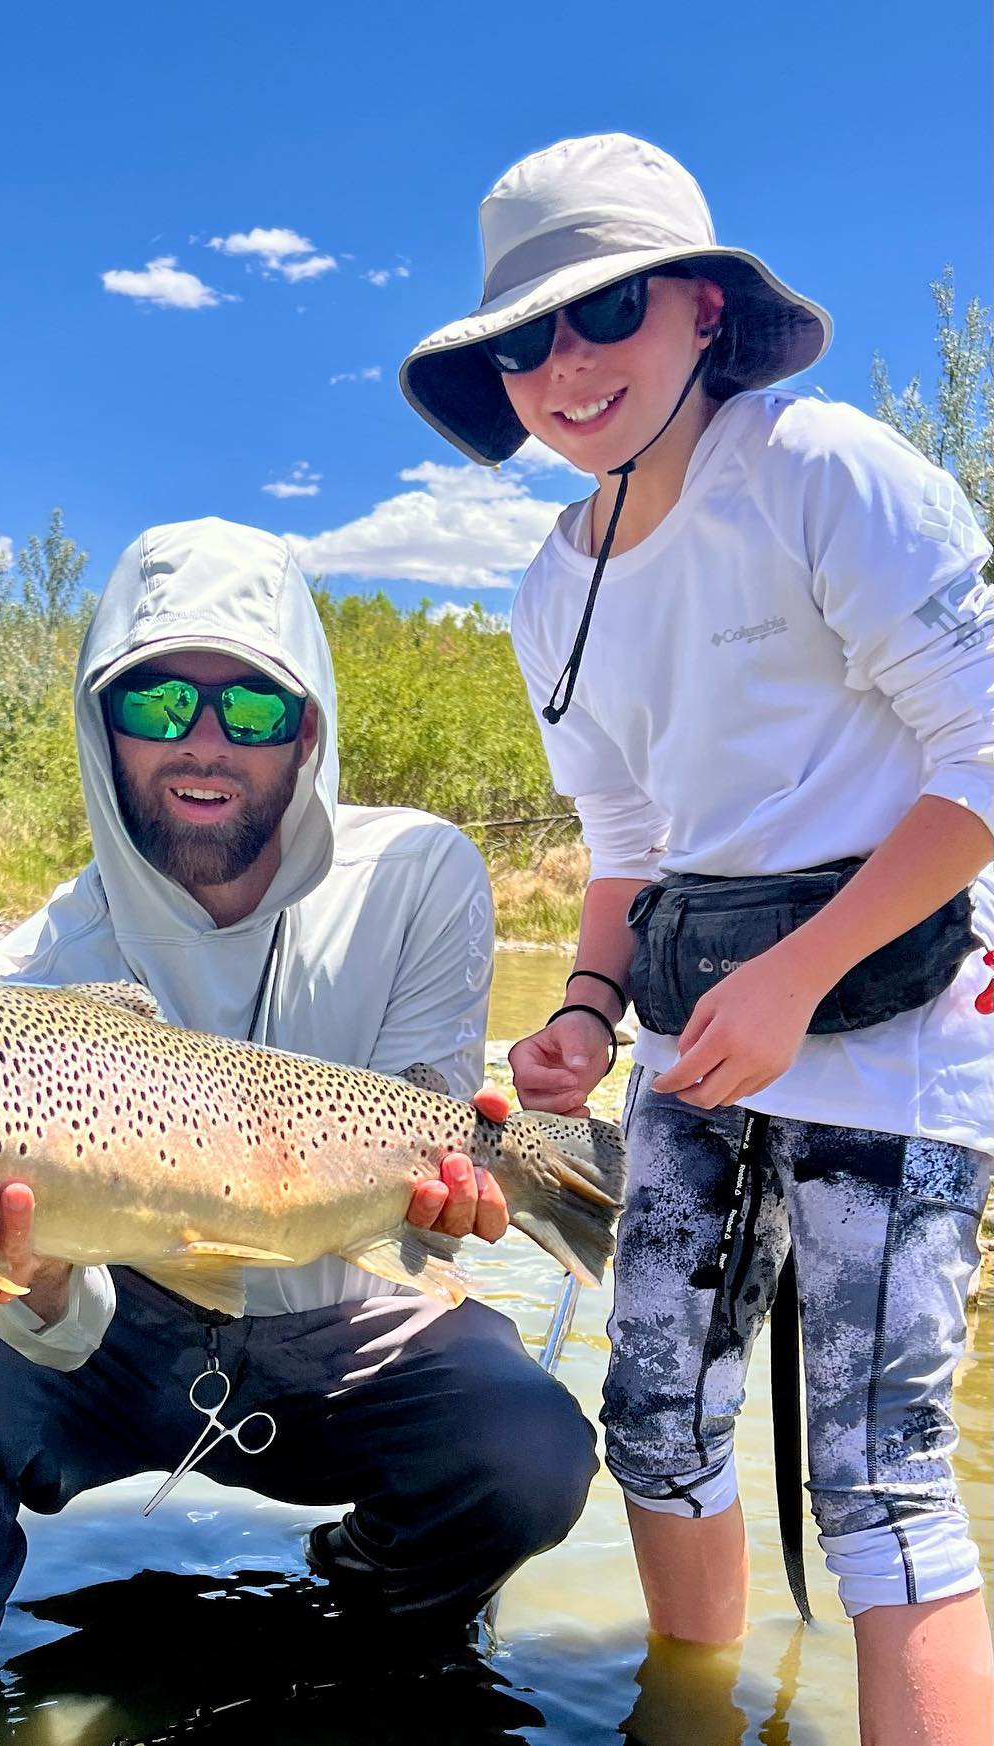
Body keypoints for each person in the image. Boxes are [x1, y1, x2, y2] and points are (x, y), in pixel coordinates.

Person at [0, 516, 598, 1692]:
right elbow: (39, 1308)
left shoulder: (420, 873)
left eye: (250, 710)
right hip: (117, 1339)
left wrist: (459, 1196)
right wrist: (31, 1276)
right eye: (158, 705)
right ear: (101, 725)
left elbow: (429, 1125)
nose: (204, 744)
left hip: (345, 1326)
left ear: (306, 730)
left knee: (529, 1445)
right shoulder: (25, 977)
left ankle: (366, 1627)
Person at [400, 133, 994, 1746]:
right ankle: (692, 1716)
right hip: (693, 1043)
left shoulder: (823, 467)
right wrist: (586, 1009)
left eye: (603, 314)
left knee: (875, 1472)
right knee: (655, 1417)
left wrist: (802, 973)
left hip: (896, 1028)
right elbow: (632, 847)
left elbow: (984, 749)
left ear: (699, 310)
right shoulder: (548, 582)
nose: (563, 366)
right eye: (522, 340)